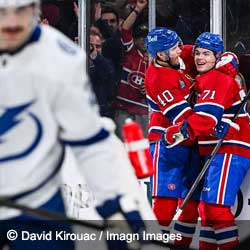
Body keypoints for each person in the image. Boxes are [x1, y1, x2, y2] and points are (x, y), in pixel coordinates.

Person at [0, 1, 155, 249]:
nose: (11, 22)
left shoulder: (58, 56)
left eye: (20, 10)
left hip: (36, 201)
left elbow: (89, 140)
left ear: (35, 12)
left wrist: (113, 206)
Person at [164, 32, 250, 249]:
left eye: (206, 54)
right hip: (216, 149)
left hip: (231, 148)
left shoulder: (218, 78)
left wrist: (175, 134)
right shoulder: (207, 77)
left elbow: (205, 120)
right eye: (198, 53)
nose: (199, 58)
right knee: (207, 211)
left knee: (215, 208)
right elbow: (182, 51)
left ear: (217, 57)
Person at [144, 27, 200, 248]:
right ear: (160, 55)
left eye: (179, 44)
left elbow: (208, 52)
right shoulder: (158, 78)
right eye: (174, 48)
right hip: (167, 141)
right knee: (165, 203)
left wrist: (226, 61)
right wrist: (212, 119)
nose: (181, 50)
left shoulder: (180, 54)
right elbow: (183, 117)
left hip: (192, 140)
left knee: (191, 203)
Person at [114, 0, 150, 137]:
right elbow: (125, 29)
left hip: (144, 111)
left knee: (144, 151)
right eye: (139, 37)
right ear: (135, 40)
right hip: (123, 108)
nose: (143, 40)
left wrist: (149, 89)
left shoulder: (158, 61)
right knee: (123, 151)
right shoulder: (131, 52)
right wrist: (138, 9)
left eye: (146, 37)